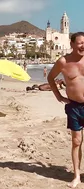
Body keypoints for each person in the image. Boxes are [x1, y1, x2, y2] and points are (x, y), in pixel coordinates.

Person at [47, 32, 84, 188]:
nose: (83, 45)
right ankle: (76, 176)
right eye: (81, 43)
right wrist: (58, 96)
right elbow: (50, 78)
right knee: (76, 142)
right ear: (72, 44)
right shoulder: (63, 62)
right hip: (74, 106)